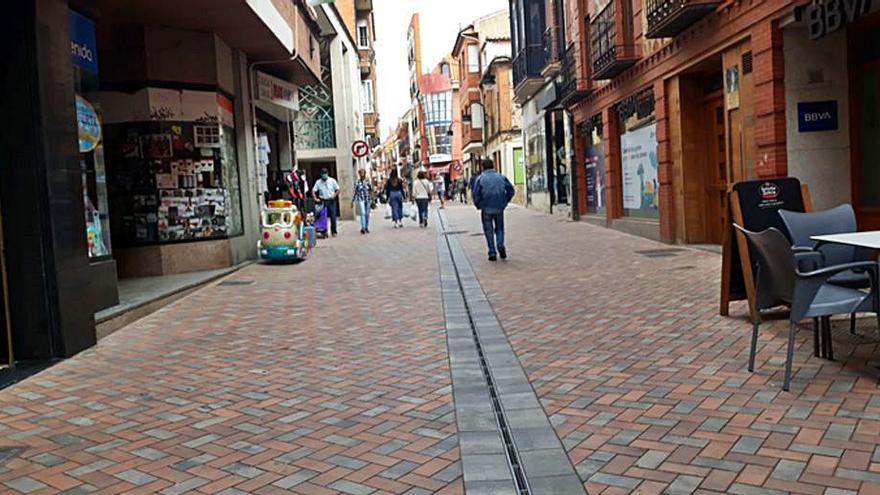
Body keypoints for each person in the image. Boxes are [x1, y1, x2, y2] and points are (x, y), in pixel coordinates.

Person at [472, 158, 515, 261]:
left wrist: (478, 205)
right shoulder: (501, 177)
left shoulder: (480, 179)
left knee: (488, 230)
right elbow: (511, 190)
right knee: (499, 228)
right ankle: (500, 244)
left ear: (483, 167)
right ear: (493, 166)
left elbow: (476, 194)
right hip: (499, 206)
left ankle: (492, 252)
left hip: (486, 207)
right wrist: (505, 201)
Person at [312, 168, 340, 237]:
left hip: (331, 200)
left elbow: (338, 189)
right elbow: (313, 191)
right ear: (321, 175)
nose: (324, 175)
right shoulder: (318, 182)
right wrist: (315, 198)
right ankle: (324, 232)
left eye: (325, 174)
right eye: (323, 174)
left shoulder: (332, 180)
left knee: (333, 217)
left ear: (327, 174)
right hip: (323, 201)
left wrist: (334, 195)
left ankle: (334, 231)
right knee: (323, 217)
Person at [352, 169, 373, 234]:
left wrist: (372, 199)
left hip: (368, 199)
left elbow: (371, 190)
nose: (362, 174)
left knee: (367, 214)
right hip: (361, 199)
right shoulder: (357, 182)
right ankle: (363, 227)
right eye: (361, 173)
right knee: (363, 213)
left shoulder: (368, 181)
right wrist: (352, 201)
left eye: (363, 173)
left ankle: (366, 227)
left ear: (365, 173)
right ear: (359, 174)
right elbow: (355, 192)